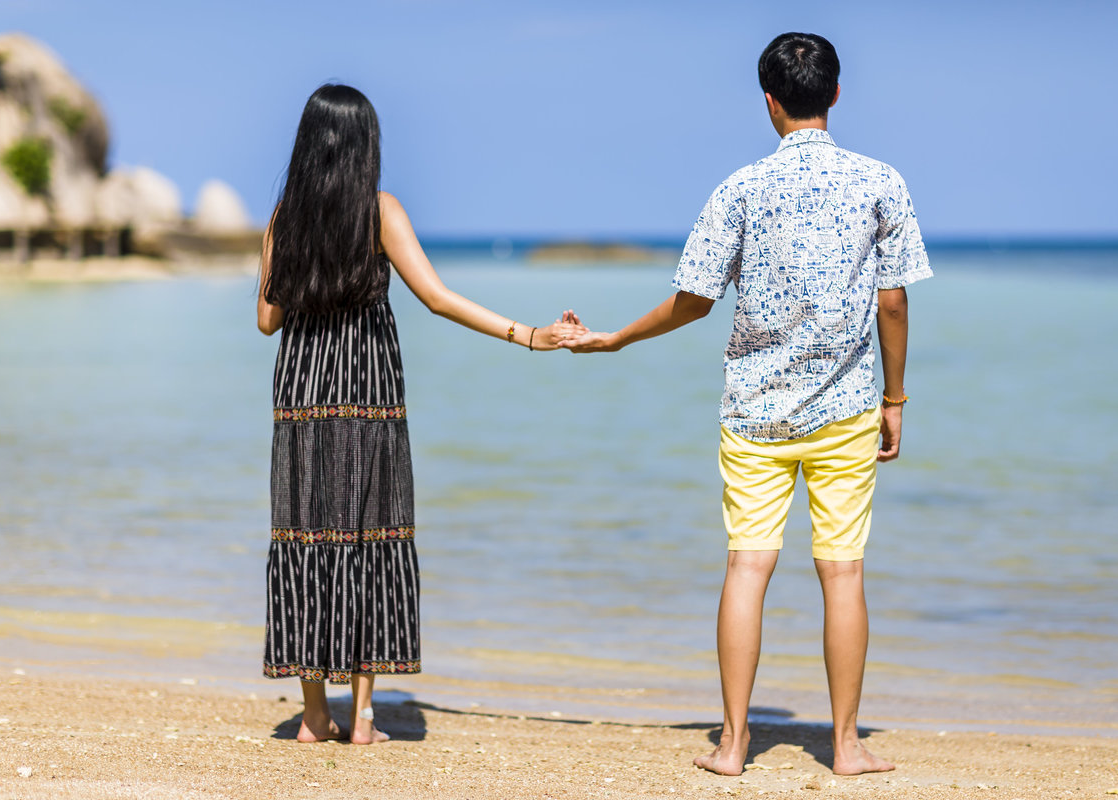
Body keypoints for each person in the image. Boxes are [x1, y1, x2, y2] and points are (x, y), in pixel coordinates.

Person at [562, 33, 931, 776]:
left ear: (769, 101)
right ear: (834, 94)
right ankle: (847, 746)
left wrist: (615, 341)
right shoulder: (881, 182)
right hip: (848, 408)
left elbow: (692, 302)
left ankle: (731, 746)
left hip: (754, 411)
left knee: (746, 568)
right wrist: (895, 398)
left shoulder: (740, 188)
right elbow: (891, 303)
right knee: (844, 574)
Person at [257, 84, 585, 744]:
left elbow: (267, 320)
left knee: (306, 534)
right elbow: (437, 297)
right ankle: (365, 718)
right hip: (368, 389)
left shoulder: (285, 215)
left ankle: (315, 716)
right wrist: (528, 334)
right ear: (364, 145)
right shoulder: (381, 211)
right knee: (372, 531)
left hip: (300, 396)